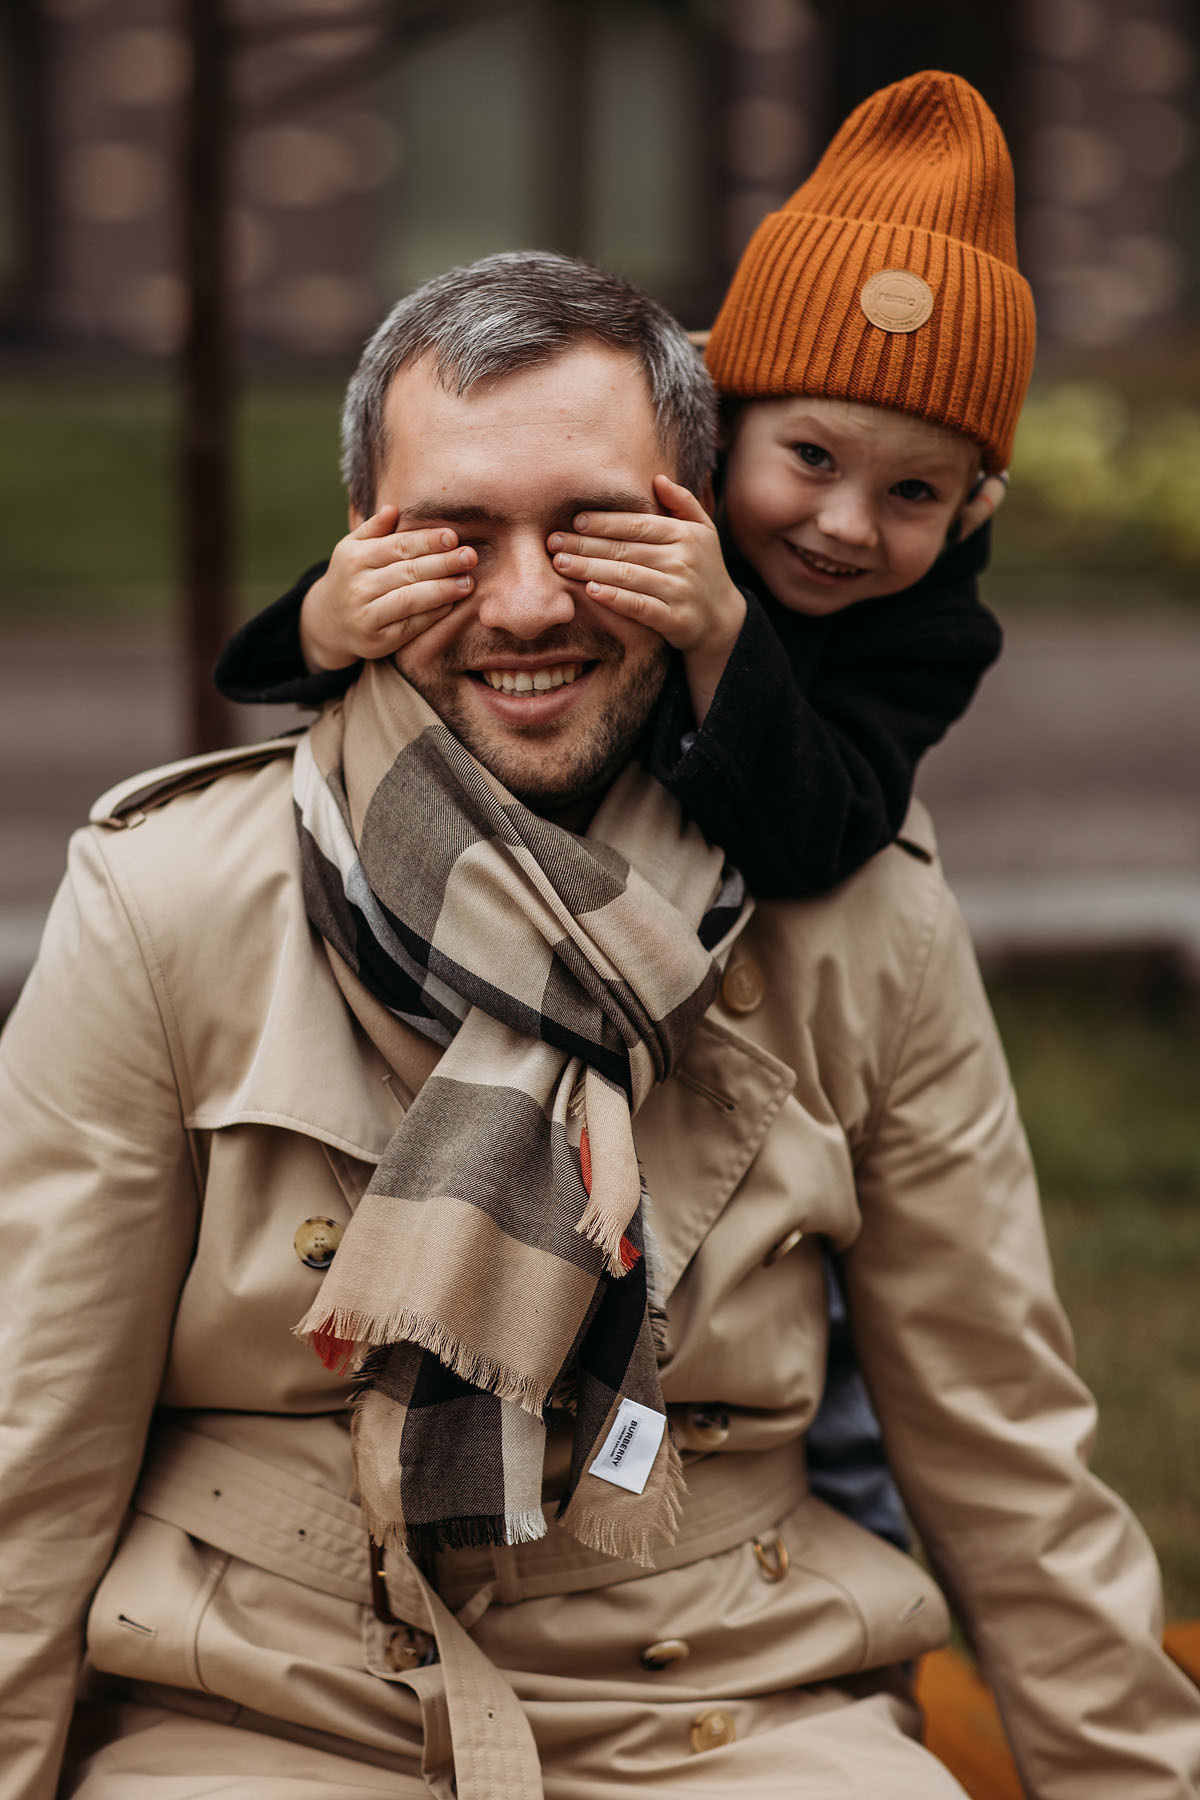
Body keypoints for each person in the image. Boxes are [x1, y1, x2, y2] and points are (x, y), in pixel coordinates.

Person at [3, 252, 1199, 1800]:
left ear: (699, 534)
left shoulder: (857, 918)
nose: (525, 605)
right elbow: (34, 1435)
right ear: (363, 544)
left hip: (738, 1706)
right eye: (456, 536)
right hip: (262, 1711)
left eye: (592, 531)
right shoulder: (169, 898)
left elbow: (1002, 1440)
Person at [214, 71, 1016, 901]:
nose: (848, 524)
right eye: (814, 457)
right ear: (722, 432)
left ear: (974, 507)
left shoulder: (932, 636)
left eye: (914, 492)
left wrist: (722, 637)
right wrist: (325, 622)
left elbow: (823, 837)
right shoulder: (647, 473)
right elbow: (313, 631)